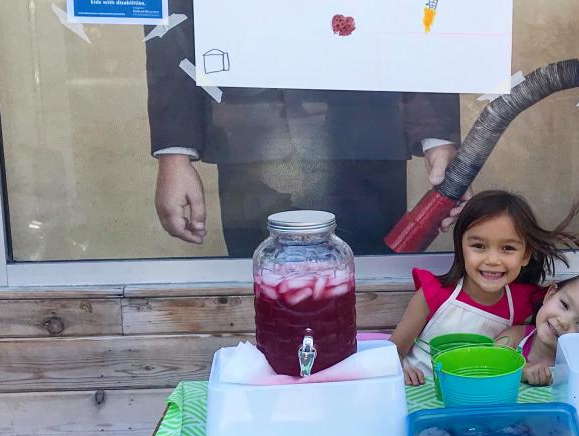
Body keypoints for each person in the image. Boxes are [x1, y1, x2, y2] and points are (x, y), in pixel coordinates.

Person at [145, 0, 464, 256]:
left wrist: (436, 136)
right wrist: (174, 152)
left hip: (367, 121)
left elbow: (426, 9)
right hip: (253, 129)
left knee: (368, 296)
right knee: (261, 292)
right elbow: (173, 13)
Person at [390, 191, 579, 385]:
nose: (492, 260)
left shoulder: (523, 301)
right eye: (479, 246)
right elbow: (394, 352)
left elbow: (575, 306)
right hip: (419, 395)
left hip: (479, 402)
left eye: (508, 248)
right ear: (461, 246)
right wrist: (402, 372)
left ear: (525, 255)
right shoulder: (433, 294)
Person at [494, 269, 579, 386]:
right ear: (550, 295)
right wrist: (520, 370)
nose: (564, 322)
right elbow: (489, 362)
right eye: (564, 305)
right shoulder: (516, 336)